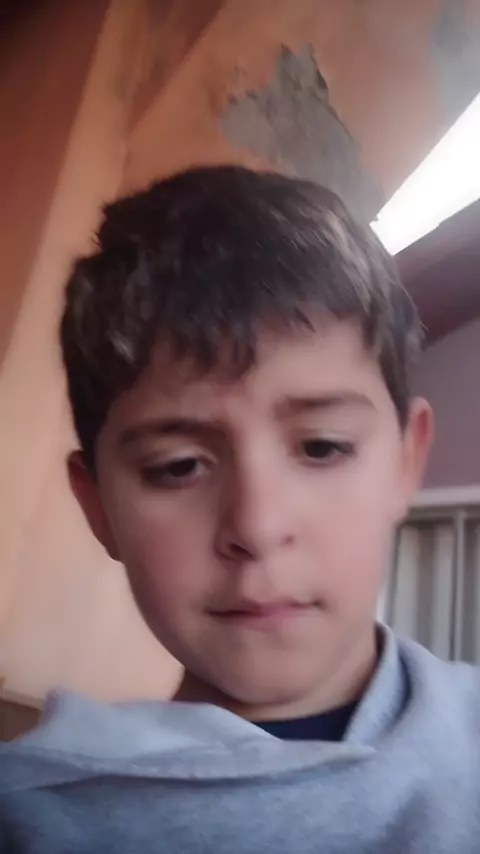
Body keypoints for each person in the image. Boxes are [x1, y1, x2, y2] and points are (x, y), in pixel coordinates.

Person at [1, 165, 478, 854]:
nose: (256, 527)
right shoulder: (33, 820)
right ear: (98, 507)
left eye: (321, 447)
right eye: (178, 467)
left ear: (406, 463)